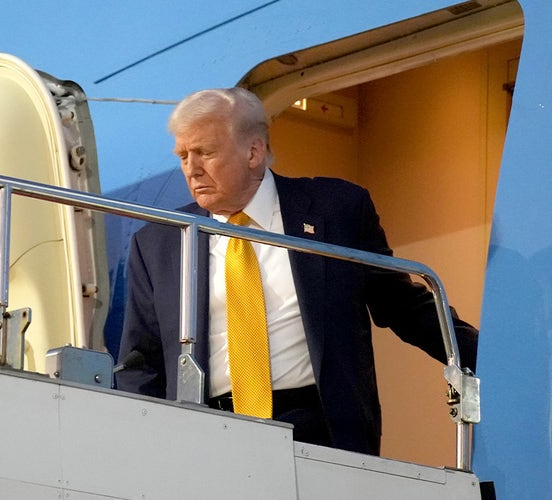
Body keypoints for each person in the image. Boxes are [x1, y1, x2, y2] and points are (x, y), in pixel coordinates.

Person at [114, 87, 478, 455]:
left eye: (205, 153)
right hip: (205, 438)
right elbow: (140, 362)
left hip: (319, 430)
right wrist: (148, 451)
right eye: (183, 156)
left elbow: (402, 306)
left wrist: (487, 359)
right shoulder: (160, 240)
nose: (191, 169)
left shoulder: (336, 210)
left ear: (254, 151)